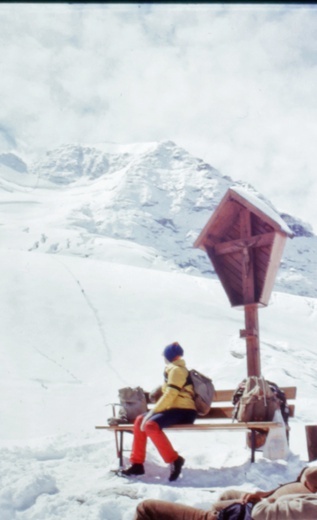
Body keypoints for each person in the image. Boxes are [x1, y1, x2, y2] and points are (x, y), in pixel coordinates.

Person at [121, 342, 197, 482]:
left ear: (168, 356)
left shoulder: (177, 370)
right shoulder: (172, 369)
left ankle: (175, 460)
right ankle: (137, 464)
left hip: (185, 411)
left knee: (150, 425)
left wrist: (153, 411)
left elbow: (171, 394)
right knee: (139, 421)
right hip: (173, 409)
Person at [134, 466, 317, 519]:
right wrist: (267, 495)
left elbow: (262, 513)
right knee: (226, 496)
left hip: (257, 514)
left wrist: (266, 501)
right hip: (266, 509)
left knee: (146, 508)